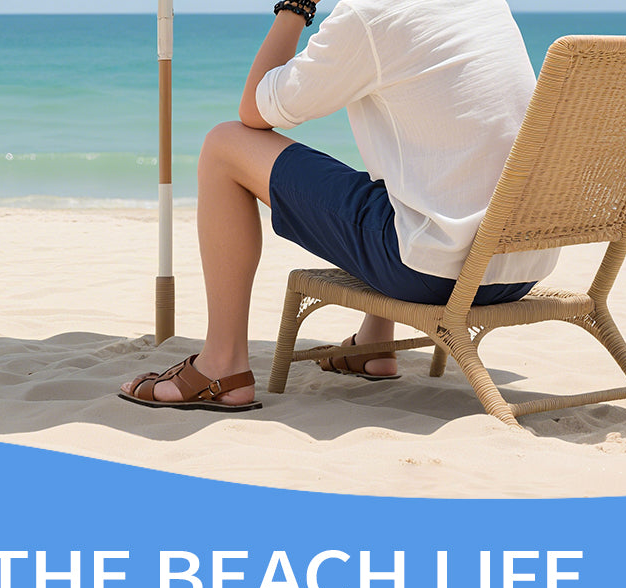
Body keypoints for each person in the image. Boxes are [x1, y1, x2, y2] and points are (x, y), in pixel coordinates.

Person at [120, 0, 560, 411]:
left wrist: (295, 8)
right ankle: (374, 344)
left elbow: (254, 110)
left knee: (224, 146)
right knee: (412, 156)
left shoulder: (367, 15)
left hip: (434, 275)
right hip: (516, 267)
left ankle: (222, 364)